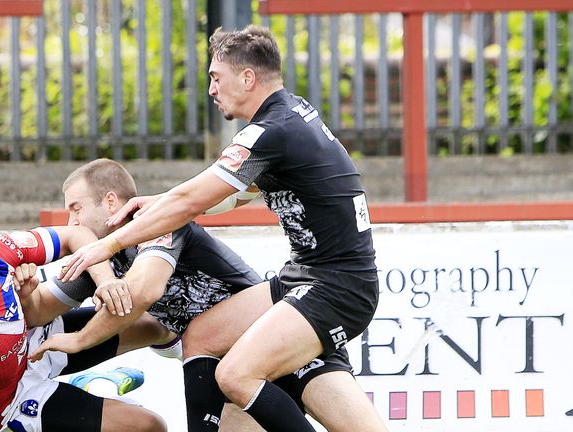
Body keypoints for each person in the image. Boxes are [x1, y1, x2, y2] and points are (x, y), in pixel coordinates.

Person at [55, 26, 387, 432]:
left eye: (216, 77)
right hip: (307, 277)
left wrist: (108, 244)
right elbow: (231, 195)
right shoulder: (289, 115)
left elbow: (192, 201)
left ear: (247, 78)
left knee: (235, 375)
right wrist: (162, 202)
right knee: (203, 334)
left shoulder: (269, 132)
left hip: (334, 288)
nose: (211, 88)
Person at [28, 158, 385, 432]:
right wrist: (22, 287)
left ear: (109, 202)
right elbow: (40, 310)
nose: (70, 222)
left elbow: (145, 289)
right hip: (234, 368)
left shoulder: (155, 219)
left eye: (75, 208)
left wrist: (79, 341)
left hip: (286, 339)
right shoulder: (99, 261)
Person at [0, 228, 167, 432]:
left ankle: (89, 386)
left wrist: (106, 282)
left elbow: (78, 235)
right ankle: (97, 388)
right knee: (150, 426)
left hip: (38, 341)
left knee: (158, 326)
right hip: (15, 402)